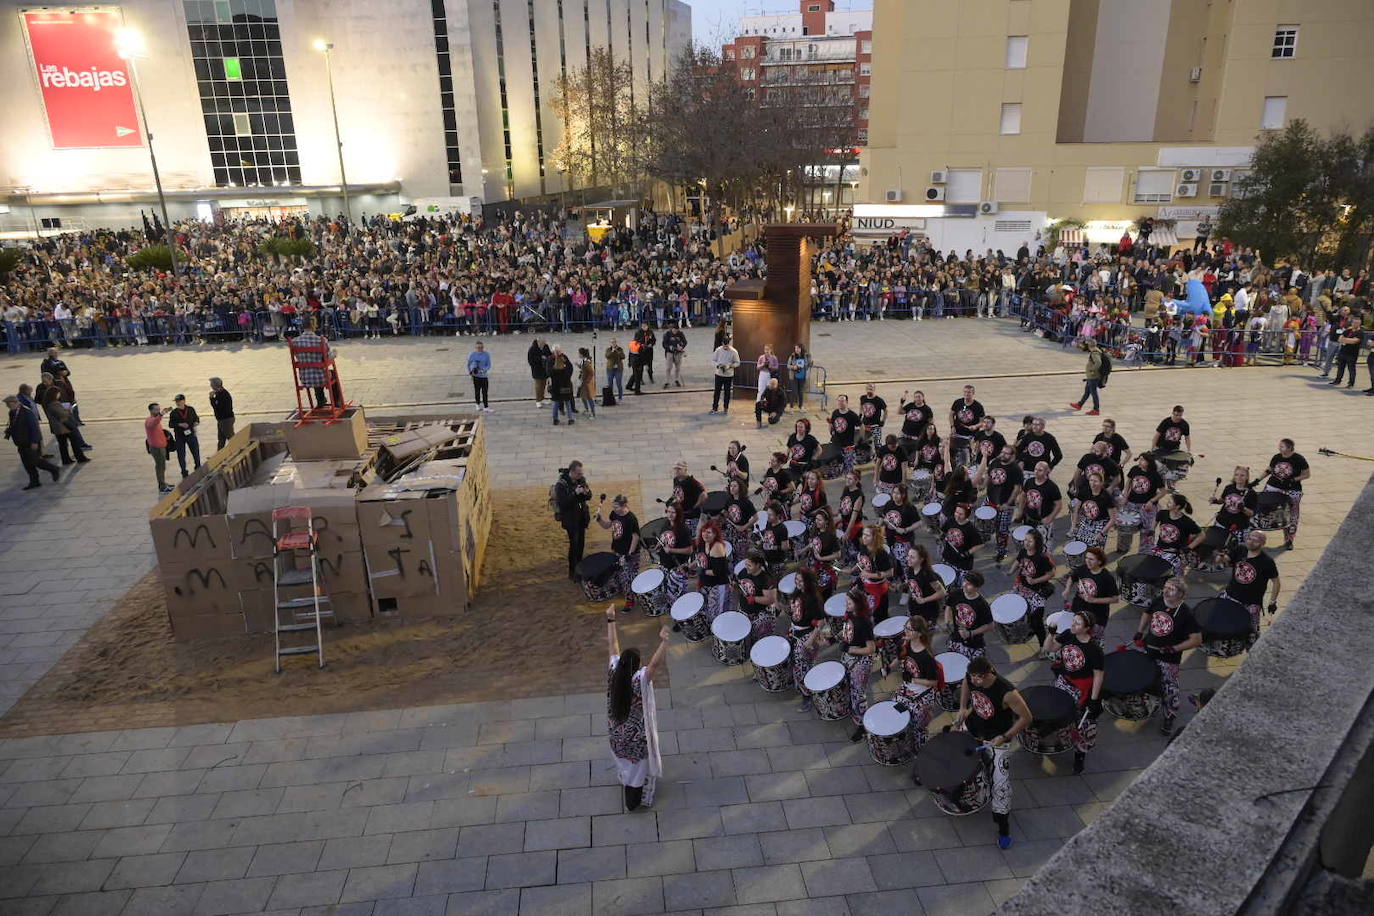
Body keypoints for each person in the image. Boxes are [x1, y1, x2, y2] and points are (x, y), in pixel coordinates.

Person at [956, 656, 1032, 849]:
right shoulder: (971, 677)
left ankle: (1003, 826)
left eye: (976, 678)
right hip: (973, 727)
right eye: (971, 676)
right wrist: (963, 708)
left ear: (987, 674)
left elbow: (1026, 717)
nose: (973, 680)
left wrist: (1005, 737)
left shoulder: (1006, 692)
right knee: (955, 756)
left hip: (996, 738)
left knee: (1001, 785)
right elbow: (966, 684)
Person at [605, 608, 669, 811]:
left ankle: (626, 781)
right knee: (637, 771)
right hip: (636, 738)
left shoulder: (615, 672)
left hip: (616, 734)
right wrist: (665, 642)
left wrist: (611, 620)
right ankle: (632, 800)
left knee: (624, 763)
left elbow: (613, 647)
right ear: (636, 666)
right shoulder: (637, 680)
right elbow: (655, 666)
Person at [1133, 577, 1201, 736]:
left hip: (1169, 659)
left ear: (1181, 594)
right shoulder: (1158, 600)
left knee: (1169, 688)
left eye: (1171, 589)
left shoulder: (1186, 614)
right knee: (1145, 678)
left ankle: (1169, 716)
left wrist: (1175, 648)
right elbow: (1147, 613)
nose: (1165, 591)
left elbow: (1196, 639)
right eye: (1165, 587)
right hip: (1149, 649)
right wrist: (1140, 630)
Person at [1049, 610, 1104, 775]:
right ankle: (1062, 738)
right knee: (1059, 714)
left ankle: (1080, 756)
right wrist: (1050, 634)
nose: (1072, 625)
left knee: (1084, 725)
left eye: (1077, 623)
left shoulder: (1094, 649)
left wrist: (1094, 700)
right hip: (1064, 682)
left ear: (1087, 628)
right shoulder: (1068, 634)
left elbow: (1098, 675)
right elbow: (1049, 648)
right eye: (1073, 621)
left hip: (1083, 690)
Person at [1222, 529, 1281, 648]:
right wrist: (1222, 557)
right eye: (1249, 538)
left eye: (1256, 540)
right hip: (1231, 595)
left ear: (1263, 543)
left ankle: (1252, 652)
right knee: (1223, 623)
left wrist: (1272, 601)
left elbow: (1276, 582)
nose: (1251, 542)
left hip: (1251, 603)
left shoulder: (1267, 562)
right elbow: (1228, 562)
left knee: (1251, 633)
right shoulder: (1240, 549)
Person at [893, 615, 942, 756]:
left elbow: (934, 682)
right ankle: (907, 744)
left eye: (910, 629)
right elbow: (900, 659)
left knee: (918, 727)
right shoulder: (906, 645)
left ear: (919, 634)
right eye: (905, 628)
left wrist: (914, 680)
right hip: (908, 687)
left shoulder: (926, 657)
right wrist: (889, 668)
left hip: (923, 693)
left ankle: (922, 754)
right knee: (896, 709)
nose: (906, 631)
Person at [836, 587, 877, 742]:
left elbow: (871, 648)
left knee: (859, 693)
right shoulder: (850, 616)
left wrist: (851, 649)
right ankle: (853, 713)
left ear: (858, 603)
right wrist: (835, 639)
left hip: (861, 661)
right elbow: (848, 632)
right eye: (846, 601)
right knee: (850, 687)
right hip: (849, 656)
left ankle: (862, 726)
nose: (846, 604)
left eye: (849, 602)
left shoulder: (864, 622)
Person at [975, 444, 1024, 562]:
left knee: (1002, 530)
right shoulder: (995, 462)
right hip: (990, 500)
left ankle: (1001, 551)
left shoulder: (1016, 470)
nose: (1003, 454)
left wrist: (1008, 503)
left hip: (1004, 505)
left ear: (1012, 456)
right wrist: (982, 486)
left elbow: (1017, 489)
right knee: (981, 521)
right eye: (1002, 452)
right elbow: (988, 475)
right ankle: (984, 538)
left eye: (1006, 453)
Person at [788, 568, 827, 713]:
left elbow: (821, 622)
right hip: (795, 632)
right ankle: (803, 689)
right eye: (796, 580)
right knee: (798, 664)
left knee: (804, 666)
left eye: (800, 580)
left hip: (806, 636)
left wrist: (810, 641)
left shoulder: (814, 599)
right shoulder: (798, 593)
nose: (797, 583)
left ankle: (808, 696)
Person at [1013, 528, 1057, 655]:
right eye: (1025, 540)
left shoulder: (1042, 558)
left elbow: (1051, 574)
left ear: (1036, 543)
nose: (1026, 543)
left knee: (1036, 621)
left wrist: (1035, 581)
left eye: (1029, 541)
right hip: (1022, 588)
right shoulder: (1023, 551)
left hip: (1037, 592)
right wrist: (1010, 571)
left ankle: (1044, 647)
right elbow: (1018, 561)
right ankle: (1027, 631)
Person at [595, 494, 641, 611]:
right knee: (621, 574)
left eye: (616, 507)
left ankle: (630, 601)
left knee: (628, 577)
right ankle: (626, 593)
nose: (614, 509)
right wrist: (599, 519)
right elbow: (607, 526)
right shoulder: (614, 513)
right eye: (613, 507)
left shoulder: (631, 519)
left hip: (630, 553)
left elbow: (635, 537)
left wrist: (629, 554)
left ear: (624, 505)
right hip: (618, 550)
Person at [1063, 546, 1117, 644]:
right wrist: (1067, 589)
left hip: (1096, 616)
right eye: (1086, 558)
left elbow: (1115, 599)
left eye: (1091, 559)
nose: (1087, 561)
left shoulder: (1107, 578)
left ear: (1099, 562)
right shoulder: (1083, 569)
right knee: (1076, 636)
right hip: (1078, 609)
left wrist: (1094, 600)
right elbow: (1072, 577)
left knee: (1091, 641)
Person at [5, 394, 60, 490]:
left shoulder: (27, 412)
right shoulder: (12, 412)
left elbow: (34, 428)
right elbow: (14, 424)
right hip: (21, 443)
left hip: (30, 442)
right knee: (27, 464)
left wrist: (34, 442)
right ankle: (34, 482)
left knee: (36, 461)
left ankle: (53, 469)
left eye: (8, 404)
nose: (7, 406)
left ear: (15, 403)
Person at [1263, 438, 1310, 549]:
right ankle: (1259, 531)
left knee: (1292, 515)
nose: (1279, 448)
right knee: (1263, 507)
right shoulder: (1277, 457)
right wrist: (1257, 480)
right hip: (1274, 487)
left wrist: (1293, 480)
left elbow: (1307, 475)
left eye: (1282, 446)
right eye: (1279, 446)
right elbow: (1269, 470)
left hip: (1292, 490)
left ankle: (1289, 539)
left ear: (1289, 448)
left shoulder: (1299, 459)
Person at [1118, 454, 1165, 553]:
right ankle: (1123, 547)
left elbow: (1163, 491)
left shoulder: (1155, 475)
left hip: (1146, 506)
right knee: (1125, 526)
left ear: (1149, 462)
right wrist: (1125, 496)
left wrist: (1152, 501)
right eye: (1140, 459)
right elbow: (1128, 483)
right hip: (1131, 503)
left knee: (1146, 530)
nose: (1139, 461)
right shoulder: (1134, 469)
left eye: (1142, 460)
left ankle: (1145, 552)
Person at [554, 461, 593, 579]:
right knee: (574, 545)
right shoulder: (561, 485)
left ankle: (580, 568)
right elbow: (564, 503)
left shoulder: (581, 480)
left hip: (581, 518)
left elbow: (589, 496)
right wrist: (575, 493)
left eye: (581, 473)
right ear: (572, 472)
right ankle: (572, 571)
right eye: (578, 474)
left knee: (581, 544)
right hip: (571, 520)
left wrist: (586, 493)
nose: (580, 476)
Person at [944, 569, 993, 659]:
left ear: (977, 588)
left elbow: (990, 626)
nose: (964, 585)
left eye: (969, 584)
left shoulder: (982, 605)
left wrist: (970, 633)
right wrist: (947, 622)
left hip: (974, 644)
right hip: (956, 638)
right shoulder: (955, 594)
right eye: (964, 581)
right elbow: (948, 606)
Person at [851, 524, 895, 621]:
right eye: (863, 534)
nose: (864, 537)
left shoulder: (880, 553)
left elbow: (890, 572)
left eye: (867, 535)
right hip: (865, 585)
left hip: (878, 589)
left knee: (880, 617)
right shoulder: (864, 546)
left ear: (874, 537)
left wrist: (869, 575)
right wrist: (855, 568)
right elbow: (864, 561)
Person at [39, 383, 90, 466]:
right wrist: (68, 410)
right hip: (64, 427)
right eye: (58, 393)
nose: (59, 395)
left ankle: (66, 459)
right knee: (74, 442)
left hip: (58, 428)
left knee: (63, 445)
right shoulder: (54, 404)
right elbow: (62, 414)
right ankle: (80, 457)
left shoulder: (48, 403)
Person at [1017, 461, 1063, 550]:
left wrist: (1050, 518)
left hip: (1042, 522)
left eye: (1040, 470)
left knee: (1043, 546)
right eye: (1035, 469)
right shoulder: (1029, 482)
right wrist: (1020, 511)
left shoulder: (1051, 487)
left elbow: (1059, 505)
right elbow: (1023, 495)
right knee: (1028, 544)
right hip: (1029, 519)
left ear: (1047, 472)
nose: (1036, 472)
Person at [694, 520, 734, 620]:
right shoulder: (702, 543)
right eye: (704, 531)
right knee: (705, 610)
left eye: (709, 532)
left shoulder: (717, 547)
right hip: (706, 583)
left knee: (717, 614)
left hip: (718, 584)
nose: (705, 534)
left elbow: (719, 572)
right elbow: (701, 559)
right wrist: (690, 566)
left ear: (715, 534)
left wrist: (702, 571)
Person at [737, 550, 777, 643]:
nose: (746, 567)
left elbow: (770, 600)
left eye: (749, 565)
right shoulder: (743, 572)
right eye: (745, 564)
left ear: (758, 565)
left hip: (759, 614)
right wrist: (735, 586)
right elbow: (741, 586)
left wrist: (754, 599)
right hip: (744, 609)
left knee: (760, 641)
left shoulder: (766, 579)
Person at [902, 543, 946, 626]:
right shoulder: (909, 570)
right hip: (914, 608)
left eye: (912, 557)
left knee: (924, 636)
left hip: (927, 612)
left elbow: (942, 593)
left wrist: (924, 600)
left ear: (921, 559)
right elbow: (913, 584)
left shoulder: (928, 575)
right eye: (908, 556)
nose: (908, 559)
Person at [940, 503, 984, 583]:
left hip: (962, 563)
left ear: (966, 515)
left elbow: (980, 544)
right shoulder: (951, 520)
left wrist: (967, 553)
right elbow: (943, 531)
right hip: (948, 556)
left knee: (959, 584)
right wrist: (942, 536)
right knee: (946, 581)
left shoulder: (970, 529)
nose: (957, 515)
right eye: (956, 512)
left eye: (961, 514)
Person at [948, 385, 985, 467]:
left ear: (973, 393)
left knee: (969, 457)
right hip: (957, 434)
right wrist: (952, 426)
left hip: (971, 437)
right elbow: (951, 415)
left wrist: (975, 426)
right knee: (954, 454)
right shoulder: (958, 402)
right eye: (965, 392)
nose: (967, 394)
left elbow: (982, 422)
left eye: (969, 392)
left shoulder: (978, 406)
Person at [168, 394, 203, 478]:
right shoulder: (174, 412)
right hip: (180, 436)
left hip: (190, 434)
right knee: (181, 454)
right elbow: (170, 424)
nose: (177, 403)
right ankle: (184, 470)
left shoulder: (190, 409)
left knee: (195, 451)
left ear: (184, 401)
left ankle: (198, 465)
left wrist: (196, 422)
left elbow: (196, 418)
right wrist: (180, 424)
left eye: (179, 401)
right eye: (176, 401)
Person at [1068, 338, 1106, 415]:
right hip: (1091, 377)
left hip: (1093, 377)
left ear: (1089, 345)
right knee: (1087, 392)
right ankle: (1079, 405)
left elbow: (1098, 362)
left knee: (1093, 393)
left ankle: (1096, 410)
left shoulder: (1094, 353)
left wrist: (1092, 370)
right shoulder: (1097, 350)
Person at [670, 461, 707, 535]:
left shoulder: (692, 482)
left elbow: (704, 495)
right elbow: (676, 492)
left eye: (679, 469)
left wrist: (695, 506)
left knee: (690, 535)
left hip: (691, 516)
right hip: (681, 513)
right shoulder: (676, 480)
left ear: (685, 469)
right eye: (675, 469)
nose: (676, 471)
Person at [828, 394, 861, 474]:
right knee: (837, 466)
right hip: (836, 443)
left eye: (842, 401)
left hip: (848, 445)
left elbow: (861, 425)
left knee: (849, 467)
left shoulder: (852, 415)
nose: (840, 403)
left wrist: (860, 438)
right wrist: (830, 429)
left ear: (846, 402)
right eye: (839, 401)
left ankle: (850, 482)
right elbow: (832, 424)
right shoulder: (835, 412)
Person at [145, 402, 173, 493]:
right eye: (156, 409)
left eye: (158, 409)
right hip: (156, 448)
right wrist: (161, 414)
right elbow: (154, 422)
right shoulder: (149, 421)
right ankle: (162, 486)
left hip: (161, 446)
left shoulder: (155, 419)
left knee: (162, 466)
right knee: (160, 467)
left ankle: (163, 483)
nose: (158, 411)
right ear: (151, 410)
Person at [1329, 317, 1364, 388]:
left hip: (1352, 354)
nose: (1355, 324)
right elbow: (1339, 339)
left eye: (1357, 323)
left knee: (1351, 369)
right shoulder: (1348, 330)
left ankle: (1351, 383)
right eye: (1354, 322)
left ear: (1359, 323)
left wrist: (1345, 340)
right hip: (1343, 352)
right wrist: (1347, 340)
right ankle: (1337, 380)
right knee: (1340, 367)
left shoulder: (1360, 332)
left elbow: (1354, 341)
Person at [710, 334, 740, 414]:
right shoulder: (718, 350)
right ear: (722, 344)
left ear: (729, 344)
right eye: (724, 345)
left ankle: (726, 408)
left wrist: (730, 366)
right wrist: (718, 365)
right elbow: (713, 360)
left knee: (727, 392)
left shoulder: (733, 351)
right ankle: (714, 407)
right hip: (719, 374)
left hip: (728, 374)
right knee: (717, 392)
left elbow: (737, 362)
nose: (725, 347)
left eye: (727, 346)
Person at [548, 348, 576, 425]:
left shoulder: (553, 368)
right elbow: (570, 369)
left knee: (555, 403)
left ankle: (555, 419)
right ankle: (570, 419)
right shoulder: (565, 367)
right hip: (565, 387)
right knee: (567, 403)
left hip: (556, 388)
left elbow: (549, 372)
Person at [208, 377, 235, 450]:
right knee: (221, 440)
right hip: (221, 420)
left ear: (215, 385)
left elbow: (217, 408)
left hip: (226, 420)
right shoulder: (219, 393)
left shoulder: (223, 394)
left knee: (231, 438)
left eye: (211, 384)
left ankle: (237, 451)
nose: (210, 385)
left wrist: (211, 398)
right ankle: (219, 457)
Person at [858, 382, 887, 449]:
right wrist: (860, 414)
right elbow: (861, 405)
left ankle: (879, 456)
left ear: (874, 389)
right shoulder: (863, 398)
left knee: (877, 444)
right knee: (864, 442)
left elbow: (886, 410)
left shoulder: (879, 400)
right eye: (868, 388)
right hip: (865, 424)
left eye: (871, 388)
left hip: (875, 425)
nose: (869, 389)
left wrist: (883, 421)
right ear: (866, 389)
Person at [466, 340, 492, 412]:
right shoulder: (472, 355)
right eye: (478, 348)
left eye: (481, 347)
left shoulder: (486, 354)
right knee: (477, 391)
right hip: (476, 376)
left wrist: (483, 370)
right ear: (475, 348)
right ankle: (477, 404)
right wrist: (470, 373)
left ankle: (486, 406)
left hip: (484, 376)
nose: (480, 349)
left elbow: (489, 364)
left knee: (485, 391)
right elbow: (468, 365)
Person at [527, 337, 551, 407]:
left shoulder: (546, 346)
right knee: (538, 386)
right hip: (537, 370)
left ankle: (542, 398)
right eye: (542, 343)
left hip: (544, 369)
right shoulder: (532, 349)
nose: (543, 344)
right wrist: (540, 358)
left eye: (544, 343)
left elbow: (549, 354)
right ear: (538, 342)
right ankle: (538, 400)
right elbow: (530, 361)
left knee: (543, 385)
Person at [576, 347, 598, 419]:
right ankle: (586, 409)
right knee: (583, 396)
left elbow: (591, 373)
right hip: (583, 381)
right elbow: (584, 369)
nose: (578, 354)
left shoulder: (586, 362)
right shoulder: (584, 361)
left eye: (579, 353)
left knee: (589, 398)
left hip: (586, 382)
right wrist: (579, 366)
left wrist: (587, 381)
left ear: (582, 354)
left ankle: (593, 413)